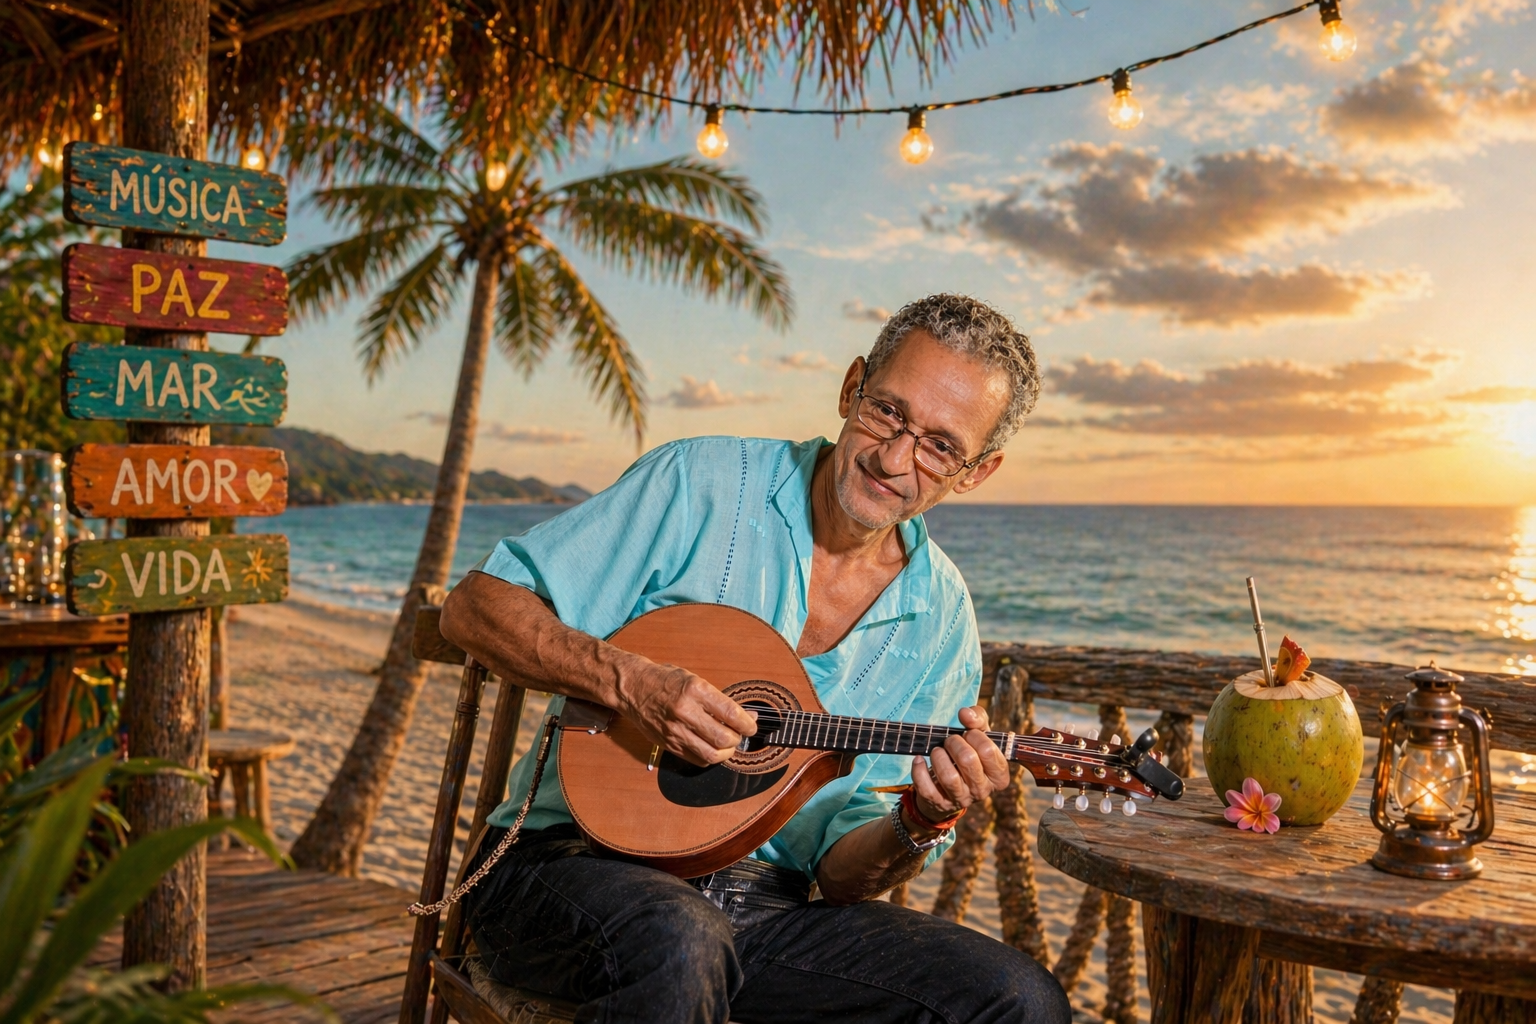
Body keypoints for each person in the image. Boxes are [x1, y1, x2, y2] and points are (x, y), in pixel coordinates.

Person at [441, 293, 1070, 1024]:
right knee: (681, 940)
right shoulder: (701, 484)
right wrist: (628, 679)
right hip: (567, 870)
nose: (895, 459)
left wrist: (920, 821)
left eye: (939, 446)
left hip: (767, 919)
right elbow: (475, 607)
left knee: (1019, 1001)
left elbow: (839, 880)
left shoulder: (942, 621)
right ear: (850, 386)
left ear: (977, 472)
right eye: (887, 413)